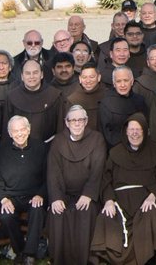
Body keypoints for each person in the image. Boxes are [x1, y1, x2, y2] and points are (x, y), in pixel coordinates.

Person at [90, 114, 156, 265]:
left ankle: (147, 258)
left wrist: (154, 195)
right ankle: (108, 258)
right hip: (119, 201)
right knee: (106, 216)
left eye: (139, 130)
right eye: (131, 129)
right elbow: (106, 179)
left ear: (145, 131)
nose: (135, 133)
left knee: (151, 214)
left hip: (144, 200)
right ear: (126, 132)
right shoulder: (115, 152)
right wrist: (108, 200)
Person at [48, 105, 107, 265]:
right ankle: (60, 259)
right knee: (58, 212)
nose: (77, 123)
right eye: (73, 120)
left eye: (80, 120)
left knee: (85, 213)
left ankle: (85, 259)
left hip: (87, 195)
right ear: (66, 123)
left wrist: (88, 194)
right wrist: (56, 197)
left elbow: (98, 169)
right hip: (65, 194)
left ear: (86, 121)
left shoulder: (97, 139)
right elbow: (53, 171)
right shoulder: (58, 141)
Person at [0, 116, 47, 265]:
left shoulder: (41, 148)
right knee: (6, 216)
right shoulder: (1, 153)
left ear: (28, 130)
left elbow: (49, 177)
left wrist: (40, 194)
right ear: (10, 134)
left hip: (34, 196)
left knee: (37, 210)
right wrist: (3, 199)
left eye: (23, 129)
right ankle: (19, 250)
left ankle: (29, 254)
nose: (20, 134)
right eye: (15, 131)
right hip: (11, 197)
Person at [3, 58, 62, 145]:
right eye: (27, 73)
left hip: (49, 147)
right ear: (22, 76)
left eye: (35, 72)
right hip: (20, 148)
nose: (31, 76)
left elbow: (61, 128)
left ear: (41, 75)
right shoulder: (12, 97)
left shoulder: (54, 95)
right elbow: (6, 129)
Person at [99, 67, 148, 148]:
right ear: (114, 83)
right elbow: (106, 133)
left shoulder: (140, 100)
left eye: (126, 80)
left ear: (132, 81)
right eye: (118, 81)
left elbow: (145, 126)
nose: (122, 85)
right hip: (116, 149)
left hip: (139, 146)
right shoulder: (106, 103)